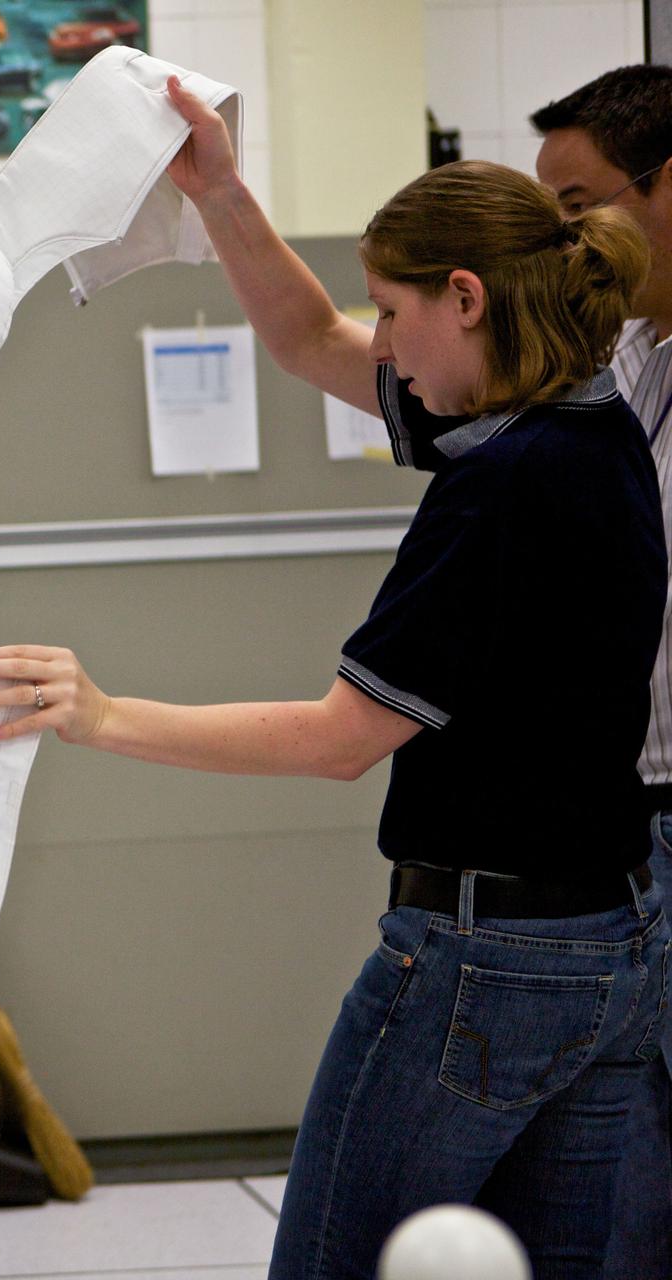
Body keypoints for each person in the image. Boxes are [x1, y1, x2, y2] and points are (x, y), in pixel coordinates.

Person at [0, 78, 669, 1278]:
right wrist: (222, 194)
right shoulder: (593, 420)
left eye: (392, 314)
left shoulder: (501, 484)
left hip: (476, 955)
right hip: (608, 948)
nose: (381, 348)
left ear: (467, 296)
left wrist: (106, 710)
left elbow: (342, 735)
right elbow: (304, 340)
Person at [530, 65, 672, 1277]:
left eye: (581, 209)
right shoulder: (620, 351)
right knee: (632, 1183)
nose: (565, 244)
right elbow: (335, 347)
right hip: (631, 834)